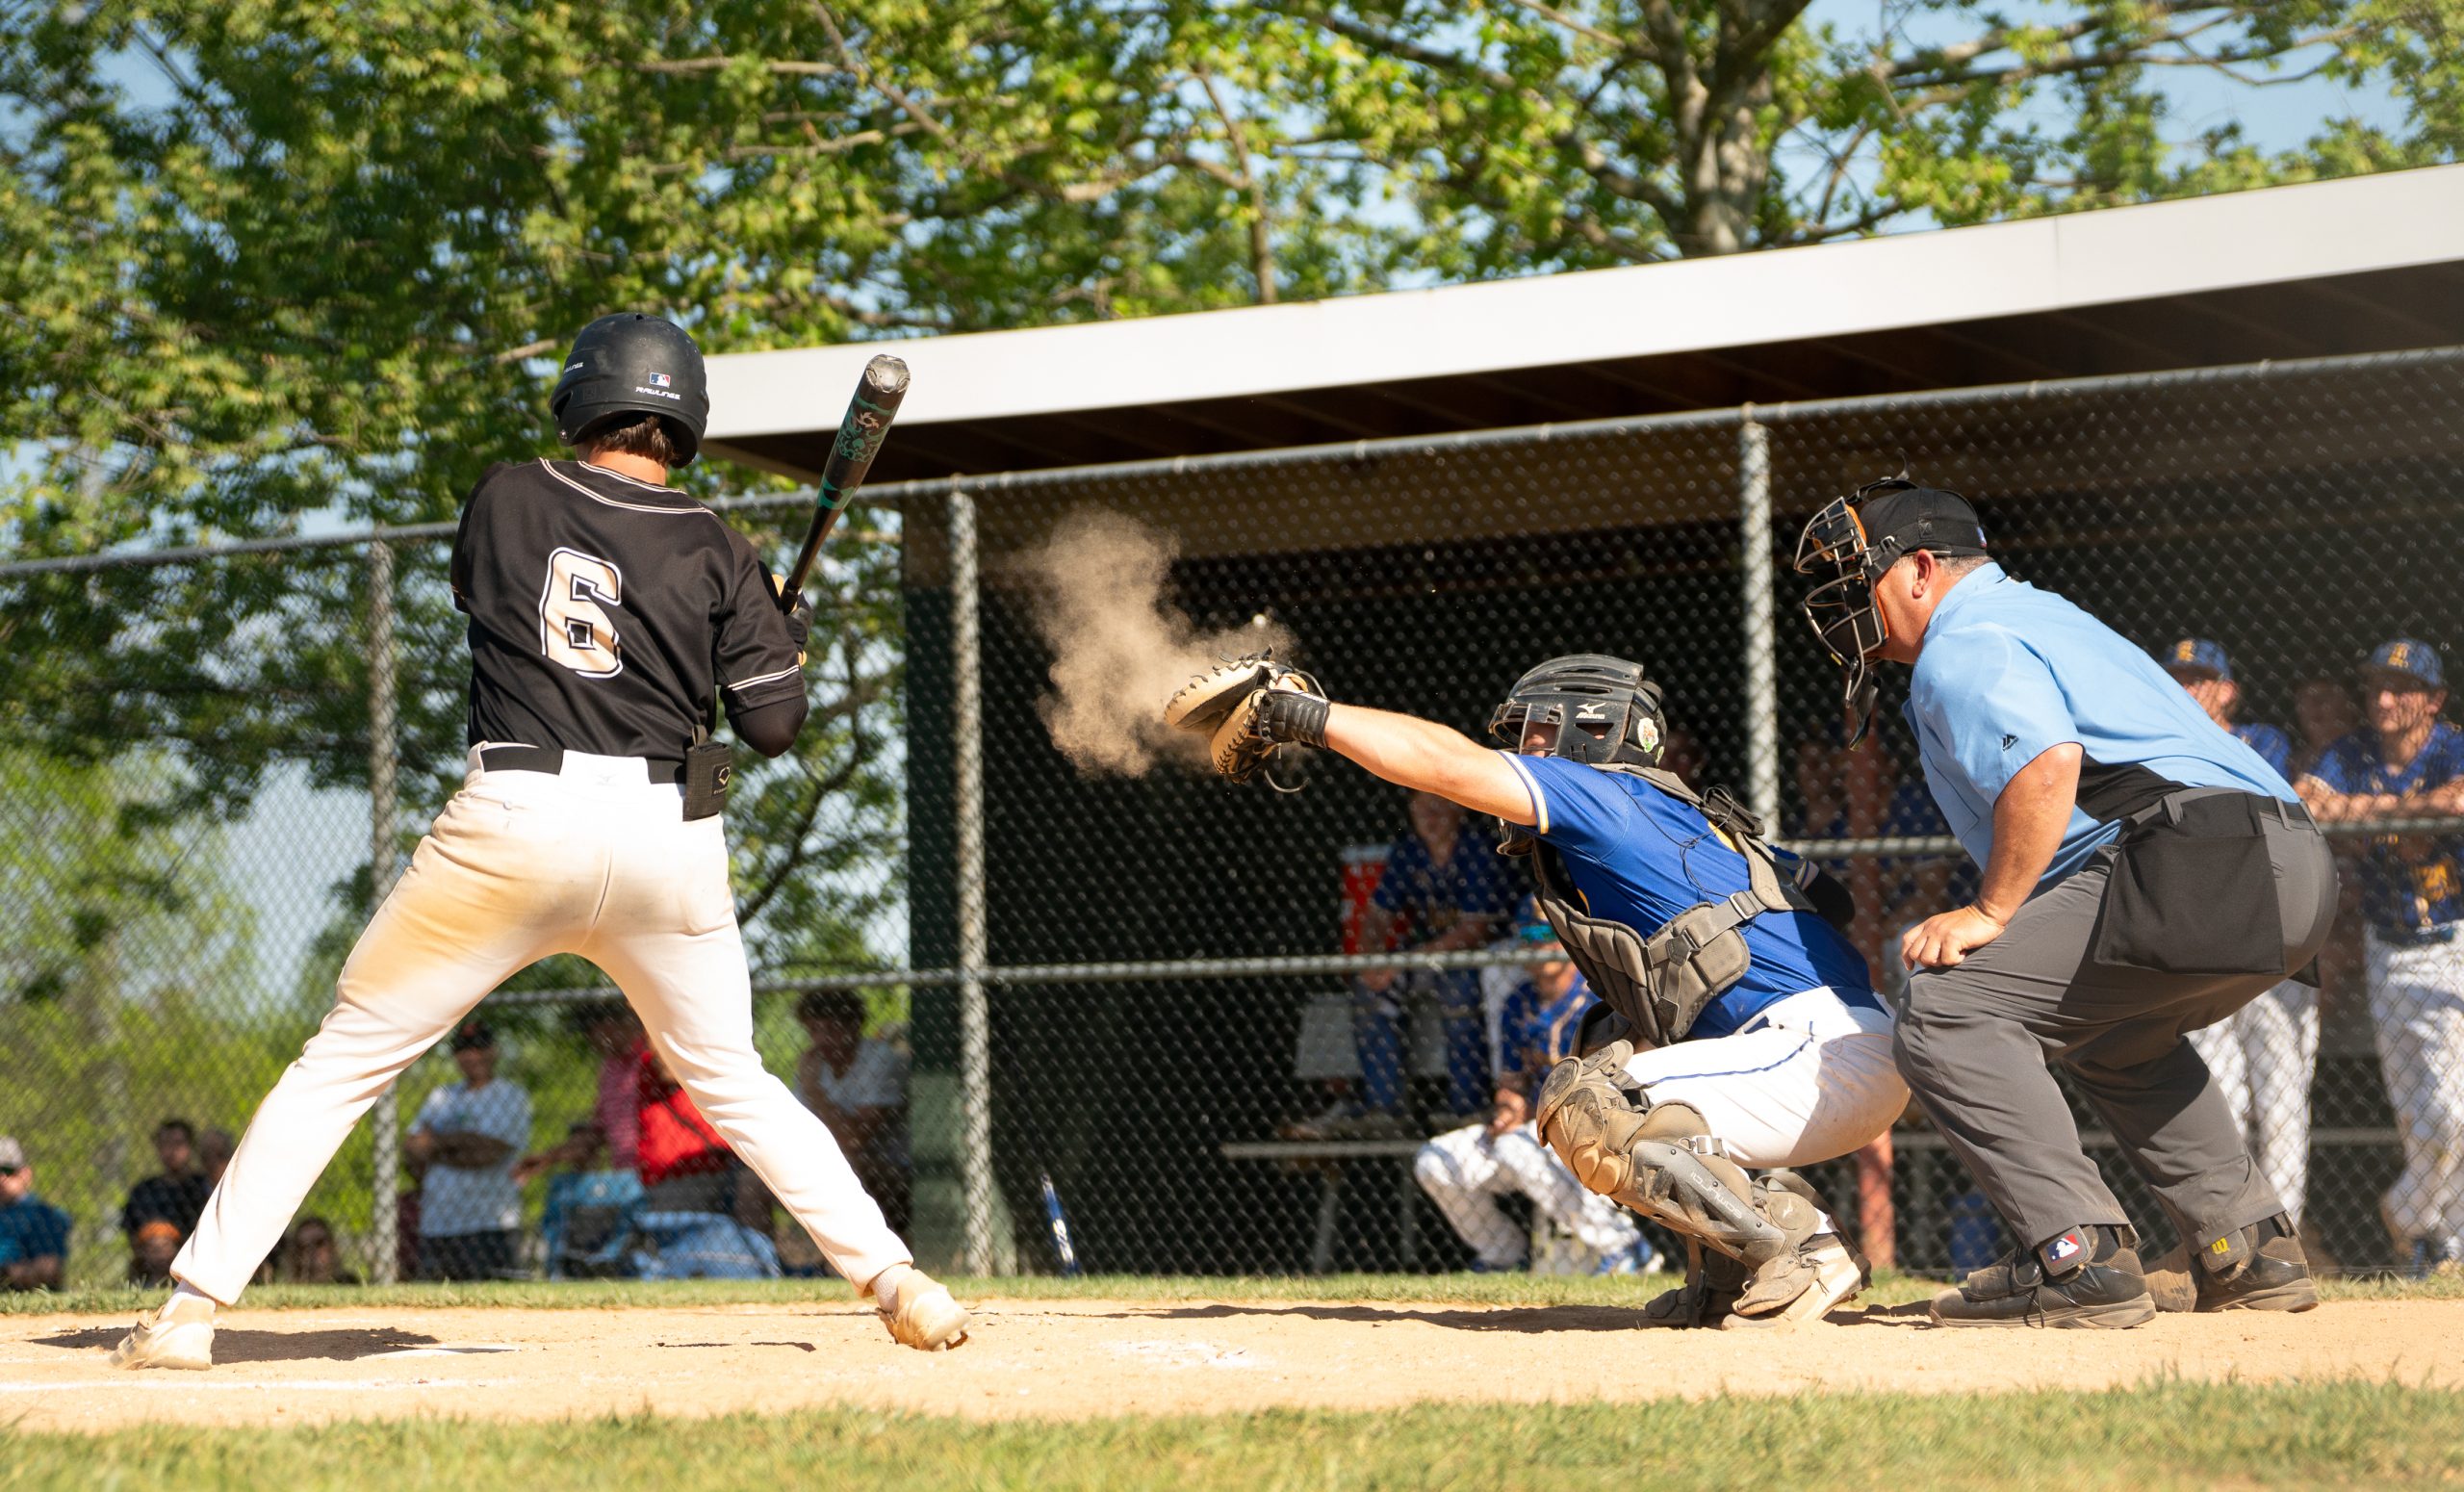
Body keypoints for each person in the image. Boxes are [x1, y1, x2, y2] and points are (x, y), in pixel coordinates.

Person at [110, 312, 965, 1370]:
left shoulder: (508, 495)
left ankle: (191, 1310)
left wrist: (741, 640)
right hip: (668, 835)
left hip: (516, 818)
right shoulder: (718, 544)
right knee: (733, 1076)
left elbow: (510, 605)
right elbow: (771, 728)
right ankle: (897, 1277)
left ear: (581, 400)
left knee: (343, 1060)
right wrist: (775, 645)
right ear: (686, 420)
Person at [1169, 652, 1908, 1326]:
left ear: (1592, 733)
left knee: (1591, 1101)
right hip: (1828, 1052)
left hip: (1813, 1055)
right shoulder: (1682, 815)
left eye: (1538, 734)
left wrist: (1302, 716)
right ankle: (1730, 1272)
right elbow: (1831, 900)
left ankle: (1800, 1242)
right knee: (1604, 1042)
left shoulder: (1606, 792)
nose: (1526, 752)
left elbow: (1444, 763)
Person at [1792, 477, 2336, 1328]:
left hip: (2201, 859)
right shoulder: (2044, 614)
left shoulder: (1962, 638)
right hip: (2289, 867)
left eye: (1857, 580)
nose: (1843, 607)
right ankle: (2249, 1248)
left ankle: (2075, 1256)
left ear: (1923, 569)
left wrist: (1992, 911)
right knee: (2117, 1036)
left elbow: (2046, 764)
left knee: (1945, 1007)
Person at [2297, 638, 2464, 1273]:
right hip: (2389, 945)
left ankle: (2407, 1212)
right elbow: (2308, 802)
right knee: (2420, 1108)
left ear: (2435, 699)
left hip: (2455, 937)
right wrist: (2409, 817)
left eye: (2402, 690)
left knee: (2452, 1108)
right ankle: (2441, 1243)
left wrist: (2368, 814)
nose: (2386, 701)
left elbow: (2458, 800)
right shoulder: (2353, 750)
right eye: (2376, 689)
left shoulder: (2451, 744)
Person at [2158, 639, 2319, 1232]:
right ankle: (2234, 1231)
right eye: (2177, 678)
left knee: (2281, 1104)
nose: (2187, 689)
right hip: (2202, 948)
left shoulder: (2264, 740)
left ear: (2228, 689)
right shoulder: (2154, 744)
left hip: (2275, 945)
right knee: (2218, 1097)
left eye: (2200, 679)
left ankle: (2287, 1235)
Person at [1415, 913, 1653, 1274]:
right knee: (1435, 1160)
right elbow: (1511, 1083)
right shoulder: (1517, 1002)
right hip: (1534, 1128)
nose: (1540, 945)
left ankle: (1625, 1248)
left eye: (1548, 933)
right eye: (1529, 936)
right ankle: (1503, 1255)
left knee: (1516, 1148)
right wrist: (1506, 1110)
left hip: (1594, 1128)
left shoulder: (1597, 999)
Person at [1337, 790, 1513, 1131]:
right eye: (1422, 810)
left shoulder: (1477, 848)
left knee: (1457, 985)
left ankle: (1466, 1107)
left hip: (1484, 956)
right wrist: (1372, 957)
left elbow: (1474, 930)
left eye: (1439, 808)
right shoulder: (1410, 852)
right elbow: (1377, 915)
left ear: (1458, 810)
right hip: (1426, 957)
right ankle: (1384, 1106)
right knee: (1371, 990)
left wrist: (1404, 961)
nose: (1430, 818)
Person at [406, 1020, 533, 1280]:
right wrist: (462, 1143)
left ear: (493, 1051)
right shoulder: (442, 1095)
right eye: (463, 1049)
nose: (471, 1055)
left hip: (490, 1224)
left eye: (479, 1047)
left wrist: (437, 1146)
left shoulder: (509, 1095)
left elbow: (490, 1153)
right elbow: (411, 1148)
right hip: (438, 1223)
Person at [795, 992, 911, 1237]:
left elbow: (856, 1140)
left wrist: (815, 1092)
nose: (822, 1040)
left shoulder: (879, 1059)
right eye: (814, 1030)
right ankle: (767, 1269)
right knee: (752, 1182)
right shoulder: (812, 1065)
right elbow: (794, 1130)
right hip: (831, 1160)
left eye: (831, 1029)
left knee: (847, 1166)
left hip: (892, 1166)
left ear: (854, 1025)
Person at [514, 1001, 648, 1185]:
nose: (590, 1039)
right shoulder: (610, 1069)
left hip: (665, 1170)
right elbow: (598, 1132)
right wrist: (549, 1157)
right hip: (628, 1177)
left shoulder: (653, 1057)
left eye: (591, 1030)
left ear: (612, 1024)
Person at [120, 1119, 212, 1284]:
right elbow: (132, 1236)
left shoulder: (203, 1187)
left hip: (195, 1258)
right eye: (165, 1144)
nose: (171, 1151)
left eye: (178, 1143)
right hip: (149, 1262)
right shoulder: (144, 1189)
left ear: (190, 1147)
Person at [0, 1137, 71, 1292]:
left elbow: (48, 1270)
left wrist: (6, 1274)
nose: (1, 1178)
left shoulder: (45, 1216)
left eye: (7, 1170)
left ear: (25, 1174)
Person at [275, 1217, 360, 1286]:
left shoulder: (349, 1284)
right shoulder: (289, 1290)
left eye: (319, 1243)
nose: (312, 1252)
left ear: (333, 1246)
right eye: (304, 1246)